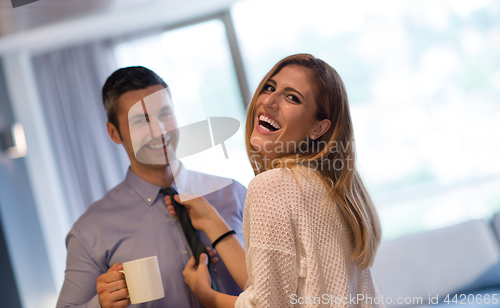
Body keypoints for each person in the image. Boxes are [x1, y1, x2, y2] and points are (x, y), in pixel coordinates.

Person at [165, 54, 384, 307]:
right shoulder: (333, 189)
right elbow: (279, 288)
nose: (269, 100)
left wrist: (208, 296)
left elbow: (268, 304)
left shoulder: (272, 186)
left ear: (319, 128)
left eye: (292, 98)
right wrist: (213, 223)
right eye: (269, 88)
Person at [56, 66, 247, 308]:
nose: (159, 130)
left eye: (165, 113)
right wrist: (100, 305)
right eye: (140, 120)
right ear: (114, 133)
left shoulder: (234, 194)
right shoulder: (91, 231)